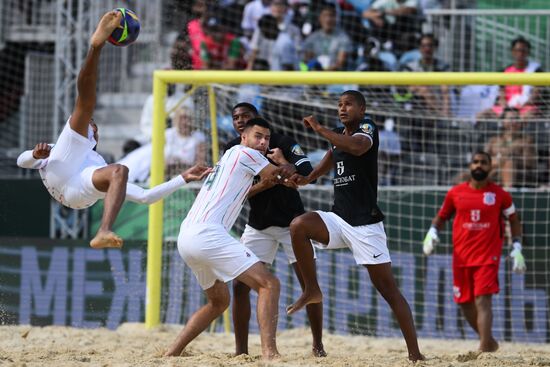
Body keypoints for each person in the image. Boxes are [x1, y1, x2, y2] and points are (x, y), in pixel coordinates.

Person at [15, 11, 211, 249]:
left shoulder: (95, 160)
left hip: (76, 191)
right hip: (63, 180)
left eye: (93, 125)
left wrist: (182, 179)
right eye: (90, 124)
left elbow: (146, 196)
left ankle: (103, 231)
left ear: (95, 135)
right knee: (116, 163)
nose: (90, 124)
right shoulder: (61, 149)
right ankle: (104, 230)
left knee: (113, 162)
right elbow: (22, 161)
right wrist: (34, 155)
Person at [286, 90, 424, 362]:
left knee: (388, 290)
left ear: (362, 109)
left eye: (348, 104)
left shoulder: (366, 128)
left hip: (365, 225)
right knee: (299, 225)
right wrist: (306, 179)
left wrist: (319, 128)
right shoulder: (338, 136)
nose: (342, 108)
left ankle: (415, 353)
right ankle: (311, 289)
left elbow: (357, 147)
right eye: (339, 104)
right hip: (339, 219)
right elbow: (327, 161)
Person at [165, 117, 295, 360]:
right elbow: (280, 176)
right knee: (269, 284)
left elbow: (248, 190)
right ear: (243, 137)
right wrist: (285, 163)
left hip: (188, 236)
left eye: (266, 138)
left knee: (218, 302)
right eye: (258, 136)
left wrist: (270, 180)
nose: (263, 142)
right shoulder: (248, 154)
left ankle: (171, 353)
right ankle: (270, 353)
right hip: (207, 234)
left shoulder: (230, 157)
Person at [225, 102, 326, 357]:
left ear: (256, 119)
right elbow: (238, 190)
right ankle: (241, 352)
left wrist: (287, 166)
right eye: (235, 117)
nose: (239, 120)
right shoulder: (231, 150)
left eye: (245, 116)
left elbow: (305, 170)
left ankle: (318, 346)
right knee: (240, 287)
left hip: (292, 225)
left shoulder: (281, 141)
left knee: (309, 285)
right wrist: (274, 179)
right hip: (258, 225)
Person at [423, 151, 527, 352]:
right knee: (464, 302)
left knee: (483, 300)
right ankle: (488, 341)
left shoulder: (500, 194)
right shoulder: (455, 193)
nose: (479, 166)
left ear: (490, 167)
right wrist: (432, 231)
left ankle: (483, 349)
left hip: (488, 256)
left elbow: (514, 219)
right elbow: (442, 216)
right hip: (461, 257)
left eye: (484, 163)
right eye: (476, 162)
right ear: (470, 166)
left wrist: (516, 246)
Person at [477, 37, 543, 121]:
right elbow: (502, 96)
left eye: (523, 51)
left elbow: (535, 96)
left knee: (525, 116)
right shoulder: (505, 71)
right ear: (512, 52)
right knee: (482, 115)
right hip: (507, 108)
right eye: (517, 50)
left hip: (526, 107)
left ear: (528, 53)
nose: (520, 54)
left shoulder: (536, 70)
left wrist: (518, 109)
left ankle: (519, 133)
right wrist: (507, 109)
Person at [485, 108, 537, 188]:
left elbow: (529, 163)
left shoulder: (526, 140)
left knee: (509, 163)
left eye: (517, 119)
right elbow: (484, 160)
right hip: (493, 173)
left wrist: (510, 157)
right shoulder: (493, 140)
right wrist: (502, 160)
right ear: (503, 122)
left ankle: (508, 195)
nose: (514, 122)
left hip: (517, 174)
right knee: (463, 176)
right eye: (510, 119)